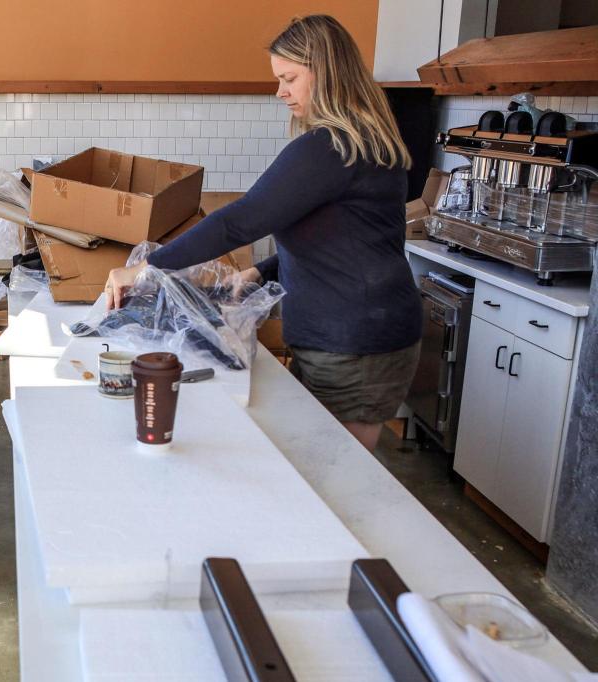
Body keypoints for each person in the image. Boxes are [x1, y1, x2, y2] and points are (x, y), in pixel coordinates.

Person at [105, 15, 422, 452]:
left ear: (326, 71)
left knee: (333, 477)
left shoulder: (331, 147)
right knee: (319, 470)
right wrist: (259, 272)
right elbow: (341, 240)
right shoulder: (360, 142)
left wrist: (145, 268)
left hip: (355, 347)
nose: (281, 92)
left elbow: (243, 220)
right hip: (358, 335)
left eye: (289, 78)